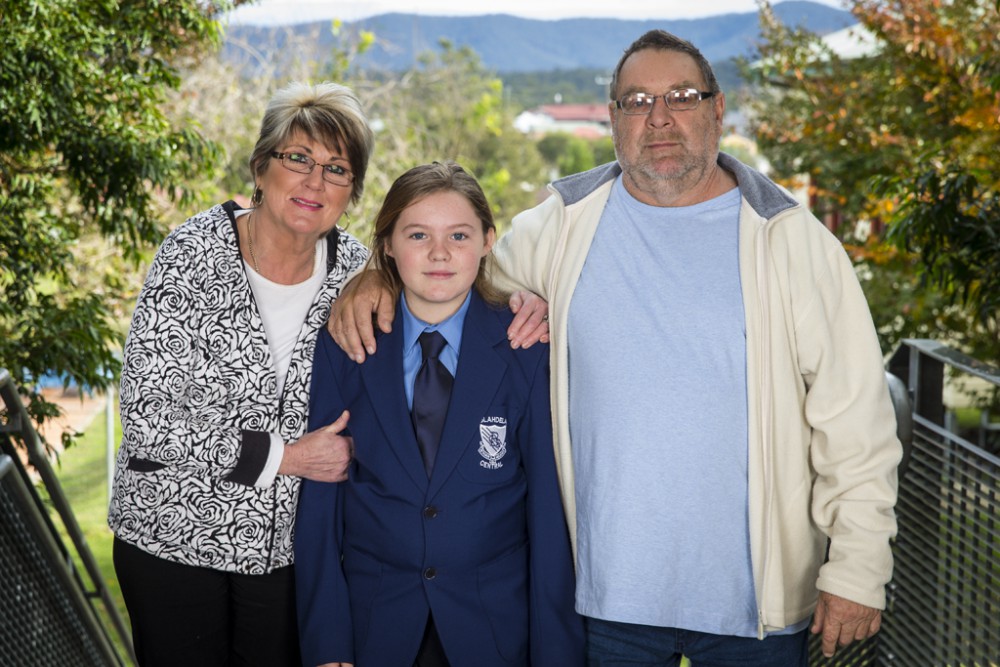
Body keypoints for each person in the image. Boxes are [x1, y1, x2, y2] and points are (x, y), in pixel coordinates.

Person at [329, 30, 903, 667]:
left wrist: (858, 568)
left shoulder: (790, 240)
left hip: (754, 610)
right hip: (604, 602)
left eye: (680, 97)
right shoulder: (561, 225)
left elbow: (855, 419)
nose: (659, 118)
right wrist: (374, 280)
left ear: (717, 110)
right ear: (613, 119)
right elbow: (450, 273)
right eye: (637, 101)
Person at [106, 81, 376, 666]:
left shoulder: (357, 271)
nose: (314, 182)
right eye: (298, 158)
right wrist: (287, 458)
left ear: (351, 191)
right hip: (172, 536)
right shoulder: (191, 254)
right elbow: (149, 419)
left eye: (336, 169)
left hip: (290, 552)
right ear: (261, 166)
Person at [295, 161, 584, 667]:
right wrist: (327, 641)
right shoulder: (347, 344)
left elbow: (546, 509)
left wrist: (556, 652)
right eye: (417, 235)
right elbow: (321, 502)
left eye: (459, 235)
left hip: (494, 629)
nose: (439, 253)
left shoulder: (525, 346)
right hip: (375, 626)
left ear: (488, 240)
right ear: (387, 244)